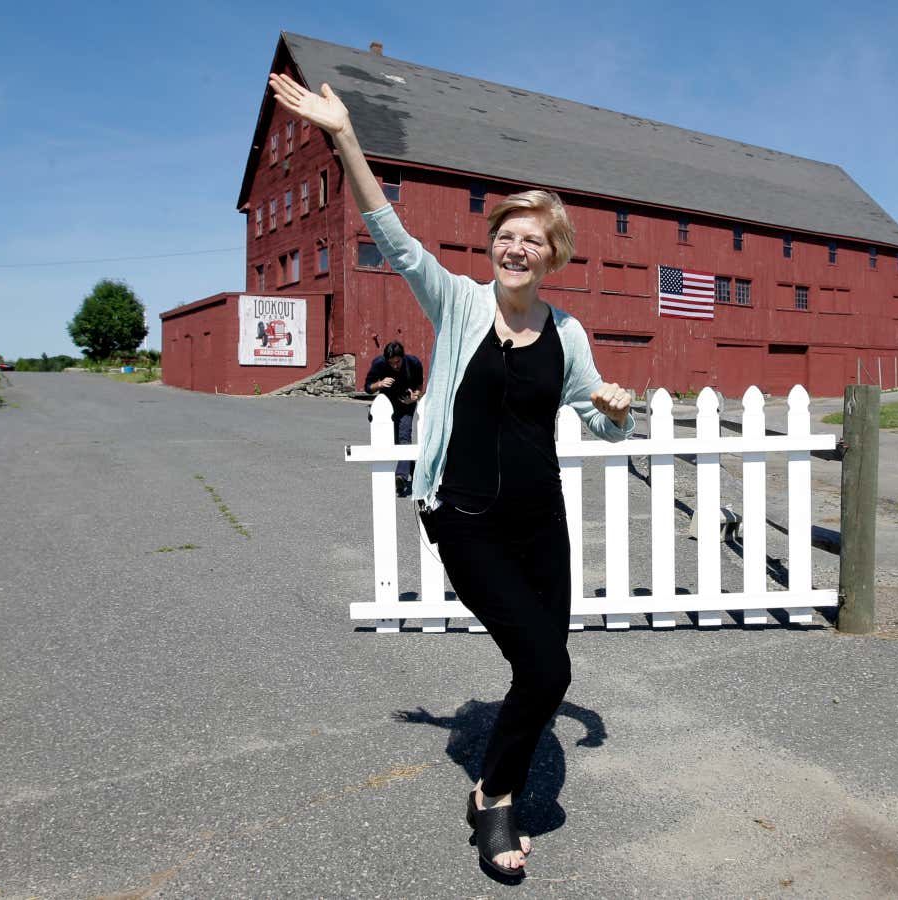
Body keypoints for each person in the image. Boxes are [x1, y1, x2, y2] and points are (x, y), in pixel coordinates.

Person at [270, 72, 634, 879]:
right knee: (546, 668)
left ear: (553, 255)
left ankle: (493, 785)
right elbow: (391, 234)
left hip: (543, 521)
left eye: (533, 240)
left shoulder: (568, 335)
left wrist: (615, 405)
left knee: (542, 667)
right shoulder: (460, 304)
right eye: (507, 234)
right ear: (493, 245)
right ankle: (495, 803)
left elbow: (607, 428)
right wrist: (345, 137)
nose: (516, 247)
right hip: (465, 519)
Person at [364, 341, 425, 496]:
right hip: (386, 405)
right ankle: (416, 471)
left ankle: (401, 478)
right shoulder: (379, 364)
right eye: (391, 363)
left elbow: (419, 387)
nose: (395, 366)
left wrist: (415, 397)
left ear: (402, 357)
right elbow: (368, 387)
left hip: (406, 404)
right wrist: (380, 383)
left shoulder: (413, 363)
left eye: (397, 362)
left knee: (404, 437)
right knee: (395, 441)